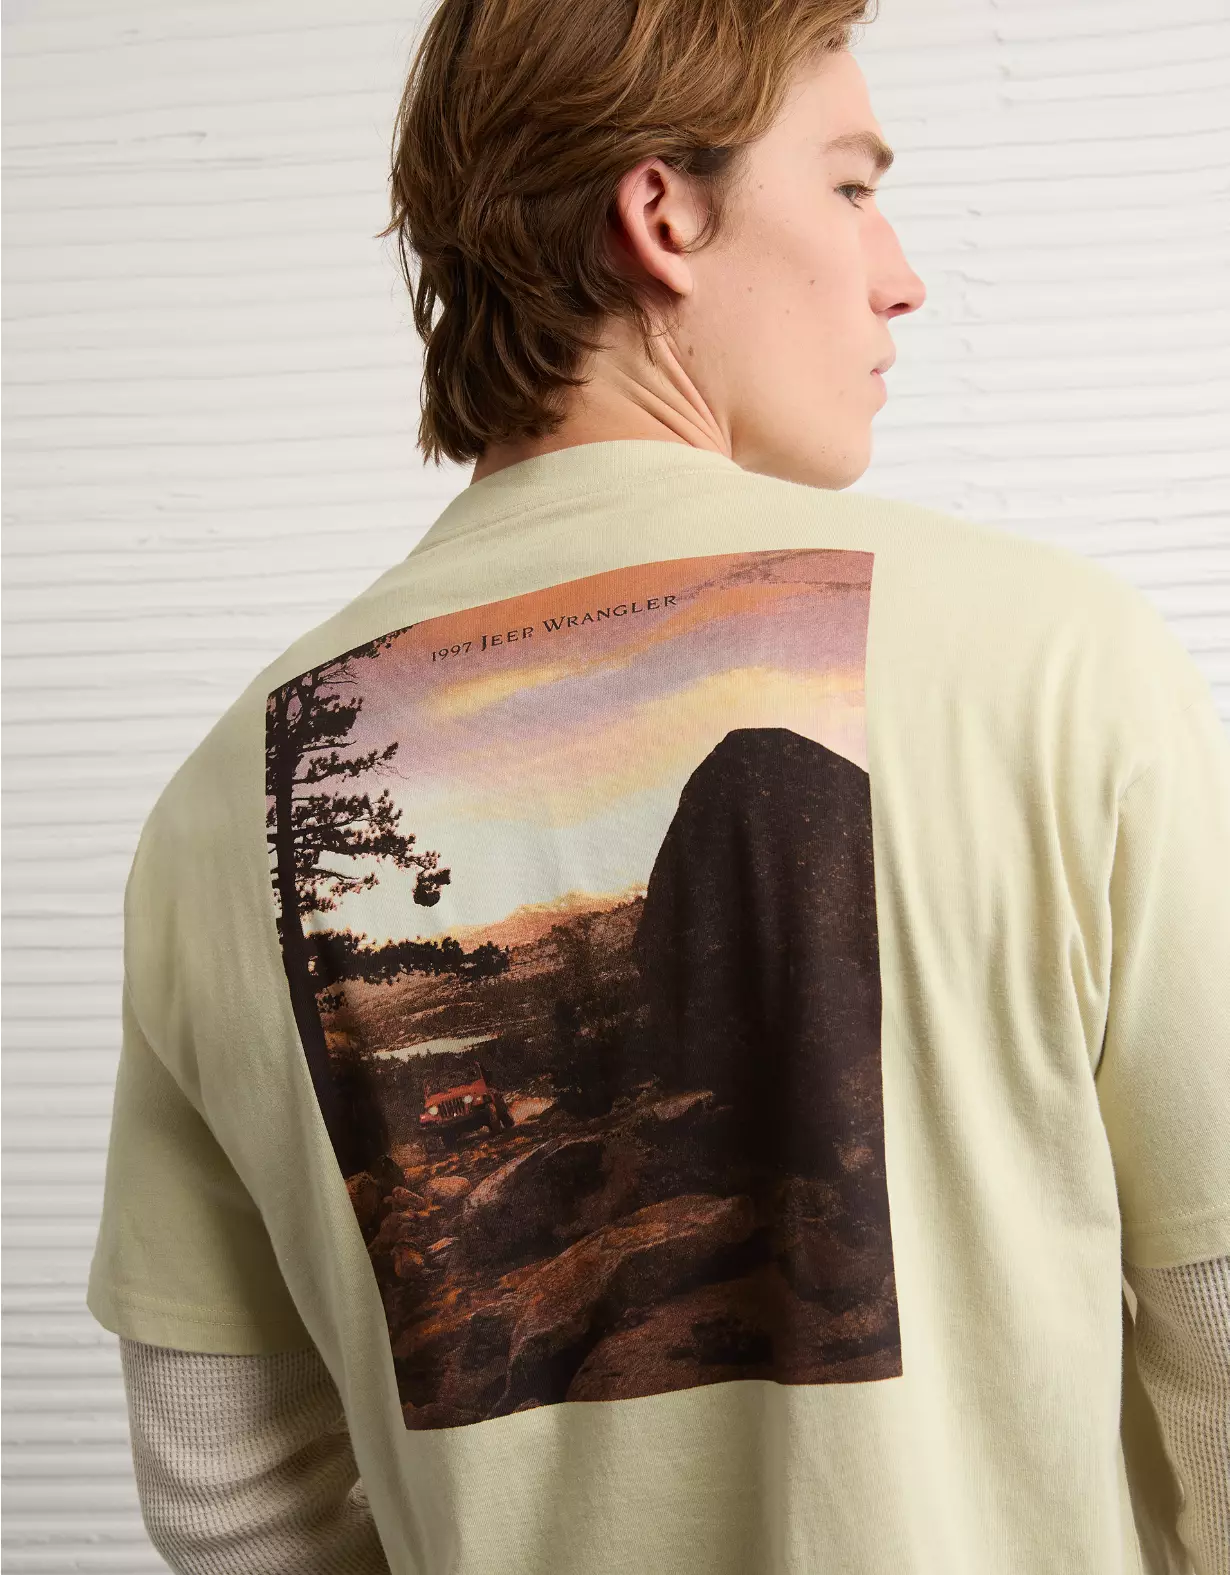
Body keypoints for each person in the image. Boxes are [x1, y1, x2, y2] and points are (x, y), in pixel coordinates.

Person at [86, 1, 1230, 1571]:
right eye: (847, 184)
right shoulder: (1051, 660)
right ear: (663, 213)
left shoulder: (225, 802)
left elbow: (219, 1477)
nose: (899, 271)